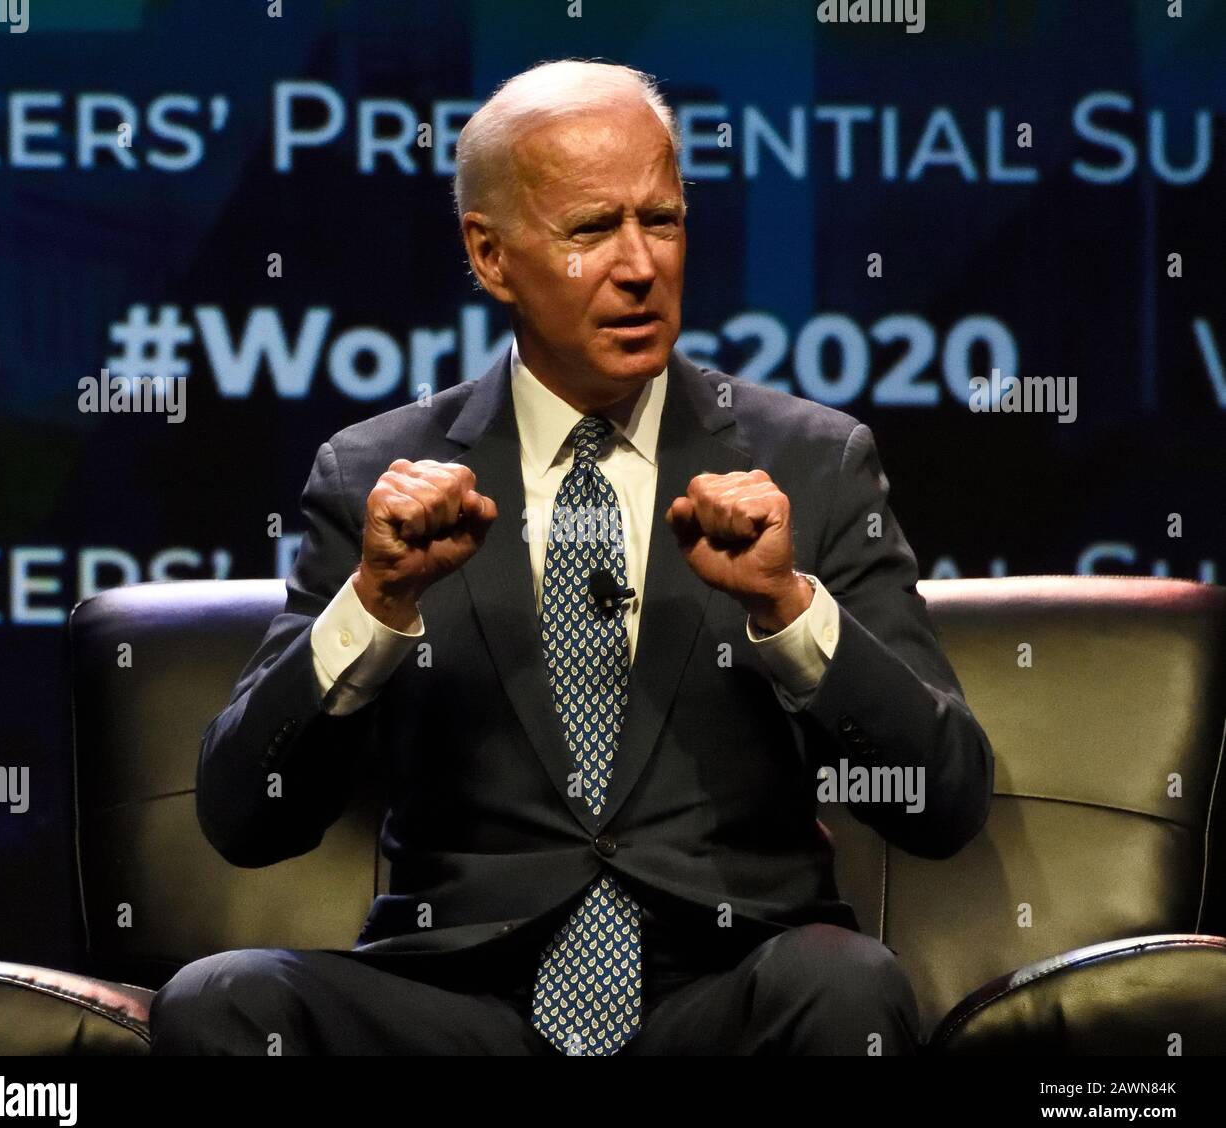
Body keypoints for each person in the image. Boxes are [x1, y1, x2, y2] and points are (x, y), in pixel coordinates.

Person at [149, 59, 994, 1056]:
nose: (640, 266)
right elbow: (246, 819)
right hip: (459, 1006)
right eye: (592, 230)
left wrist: (788, 610)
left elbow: (946, 799)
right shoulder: (373, 476)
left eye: (662, 220)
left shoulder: (812, 464)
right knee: (220, 1002)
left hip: (720, 995)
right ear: (492, 255)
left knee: (845, 986)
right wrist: (374, 604)